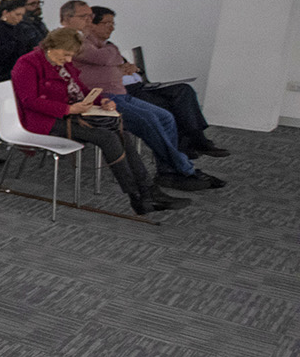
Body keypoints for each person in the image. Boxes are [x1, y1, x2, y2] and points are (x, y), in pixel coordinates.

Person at [11, 28, 187, 216]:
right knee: (108, 138)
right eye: (66, 54)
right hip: (44, 122)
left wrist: (101, 100)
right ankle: (137, 197)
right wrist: (68, 109)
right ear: (51, 47)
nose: (69, 60)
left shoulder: (61, 63)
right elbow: (29, 101)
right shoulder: (27, 63)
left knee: (122, 134)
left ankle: (148, 190)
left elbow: (81, 89)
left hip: (73, 115)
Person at [65, 4, 222, 191]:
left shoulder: (105, 46)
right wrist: (114, 57)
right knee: (151, 121)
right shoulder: (81, 42)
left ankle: (168, 171)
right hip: (102, 100)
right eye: (106, 23)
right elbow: (105, 60)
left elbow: (112, 62)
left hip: (122, 94)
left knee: (166, 117)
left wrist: (114, 59)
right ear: (91, 24)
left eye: (112, 23)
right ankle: (185, 169)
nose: (111, 27)